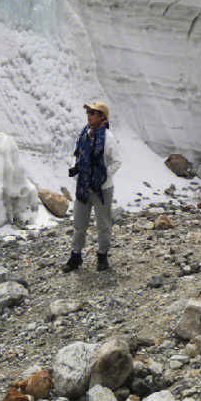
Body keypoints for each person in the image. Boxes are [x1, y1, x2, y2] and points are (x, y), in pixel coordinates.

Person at [63, 100, 122, 272]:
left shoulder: (108, 138)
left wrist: (103, 177)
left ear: (102, 117)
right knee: (79, 223)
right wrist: (78, 169)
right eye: (88, 112)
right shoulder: (85, 133)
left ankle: (102, 256)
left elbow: (116, 162)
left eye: (93, 113)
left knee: (103, 224)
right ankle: (75, 256)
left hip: (102, 189)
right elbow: (81, 156)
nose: (89, 115)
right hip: (83, 186)